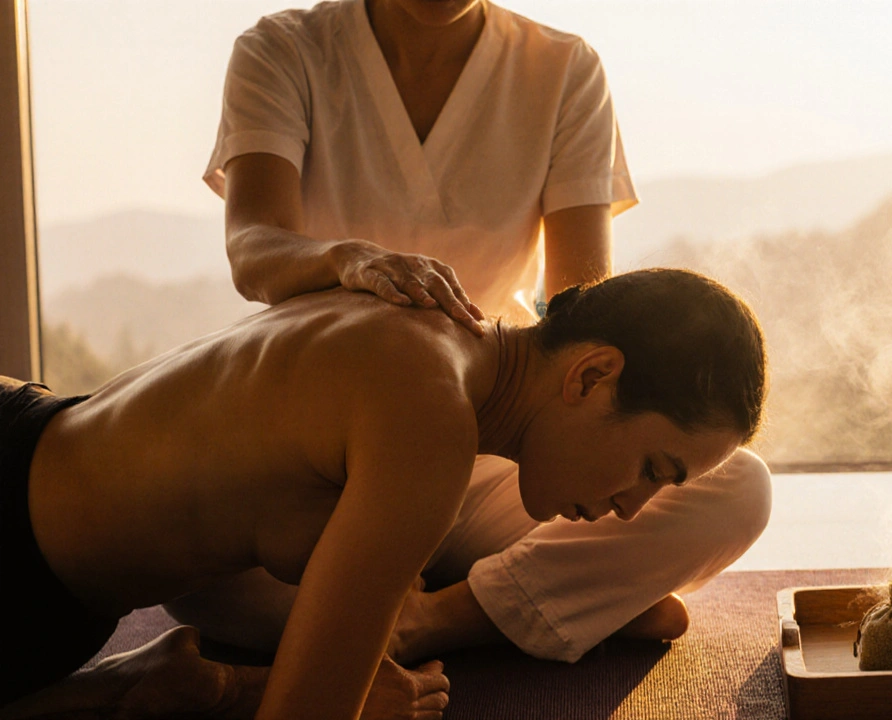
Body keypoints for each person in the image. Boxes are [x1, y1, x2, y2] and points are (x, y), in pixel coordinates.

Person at [175, 0, 774, 665]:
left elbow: (579, 308)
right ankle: (555, 601)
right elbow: (254, 248)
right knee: (202, 570)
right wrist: (346, 258)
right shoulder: (283, 48)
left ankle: (429, 618)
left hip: (493, 440)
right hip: (330, 446)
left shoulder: (564, 68)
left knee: (737, 489)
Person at [0, 269, 768, 719]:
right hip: (17, 564)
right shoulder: (428, 420)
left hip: (29, 436)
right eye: (653, 470)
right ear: (591, 375)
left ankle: (143, 685)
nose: (633, 508)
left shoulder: (426, 326)